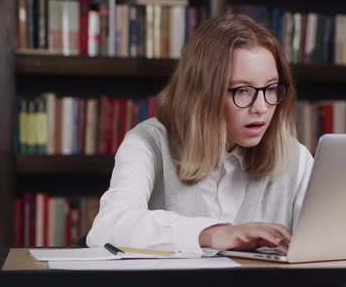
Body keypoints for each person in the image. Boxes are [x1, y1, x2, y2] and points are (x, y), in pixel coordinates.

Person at [86, 14, 313, 256]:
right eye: (242, 90)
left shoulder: (295, 158)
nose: (261, 107)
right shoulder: (148, 143)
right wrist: (212, 233)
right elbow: (106, 228)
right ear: (203, 92)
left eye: (270, 88)